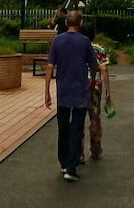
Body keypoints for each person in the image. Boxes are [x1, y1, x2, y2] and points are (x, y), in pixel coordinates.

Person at [44, 9, 97, 182]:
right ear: (80, 24)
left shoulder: (57, 41)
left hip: (63, 90)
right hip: (80, 91)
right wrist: (92, 82)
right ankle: (71, 167)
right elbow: (93, 66)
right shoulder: (85, 41)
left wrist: (46, 91)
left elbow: (50, 67)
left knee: (63, 128)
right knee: (76, 129)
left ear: (66, 23)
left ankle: (63, 162)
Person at [81, 24, 111, 161]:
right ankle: (95, 149)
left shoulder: (78, 48)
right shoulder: (99, 49)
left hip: (79, 85)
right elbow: (104, 69)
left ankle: (78, 152)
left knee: (78, 119)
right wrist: (107, 91)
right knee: (94, 117)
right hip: (95, 86)